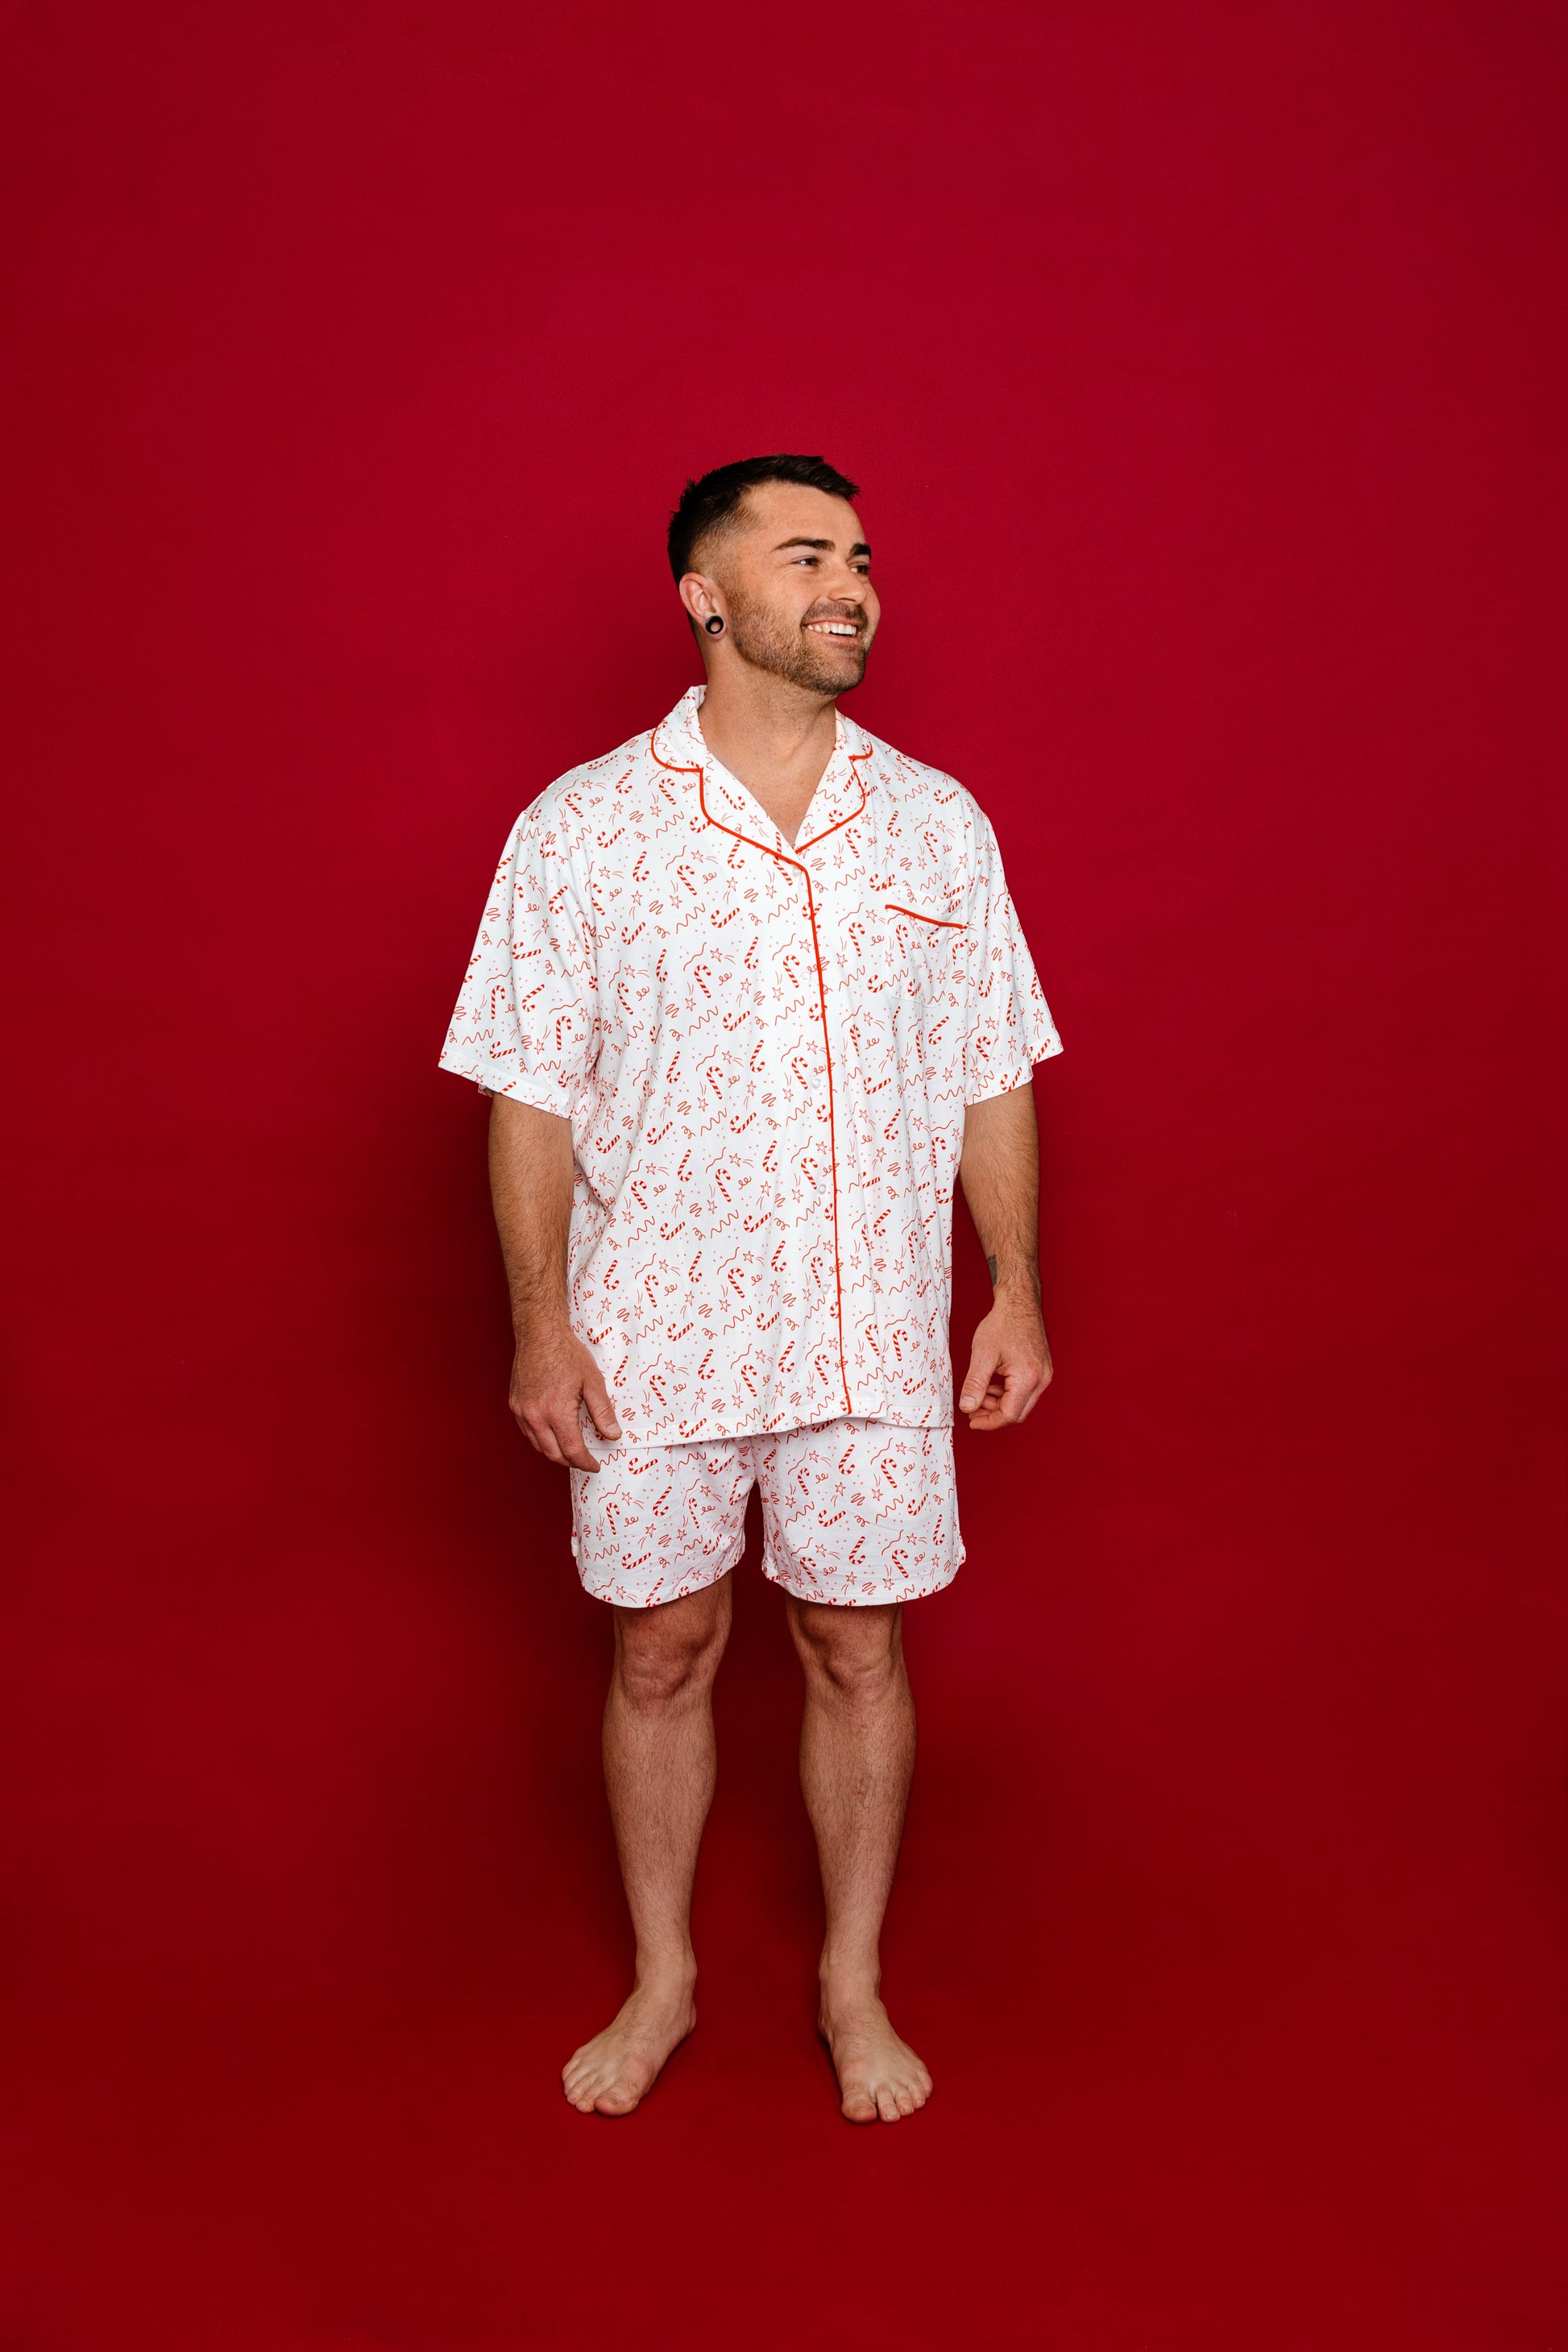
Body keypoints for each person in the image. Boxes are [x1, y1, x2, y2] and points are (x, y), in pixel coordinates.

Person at [439, 453, 1064, 2123]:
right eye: (805, 557)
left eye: (858, 556)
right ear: (703, 597)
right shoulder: (580, 829)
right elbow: (528, 1094)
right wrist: (540, 1323)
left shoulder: (936, 822)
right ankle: (664, 1976)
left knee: (856, 1644)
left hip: (870, 1326)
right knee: (661, 1646)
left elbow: (990, 1067)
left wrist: (1011, 1287)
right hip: (651, 1329)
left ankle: (851, 1984)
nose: (849, 584)